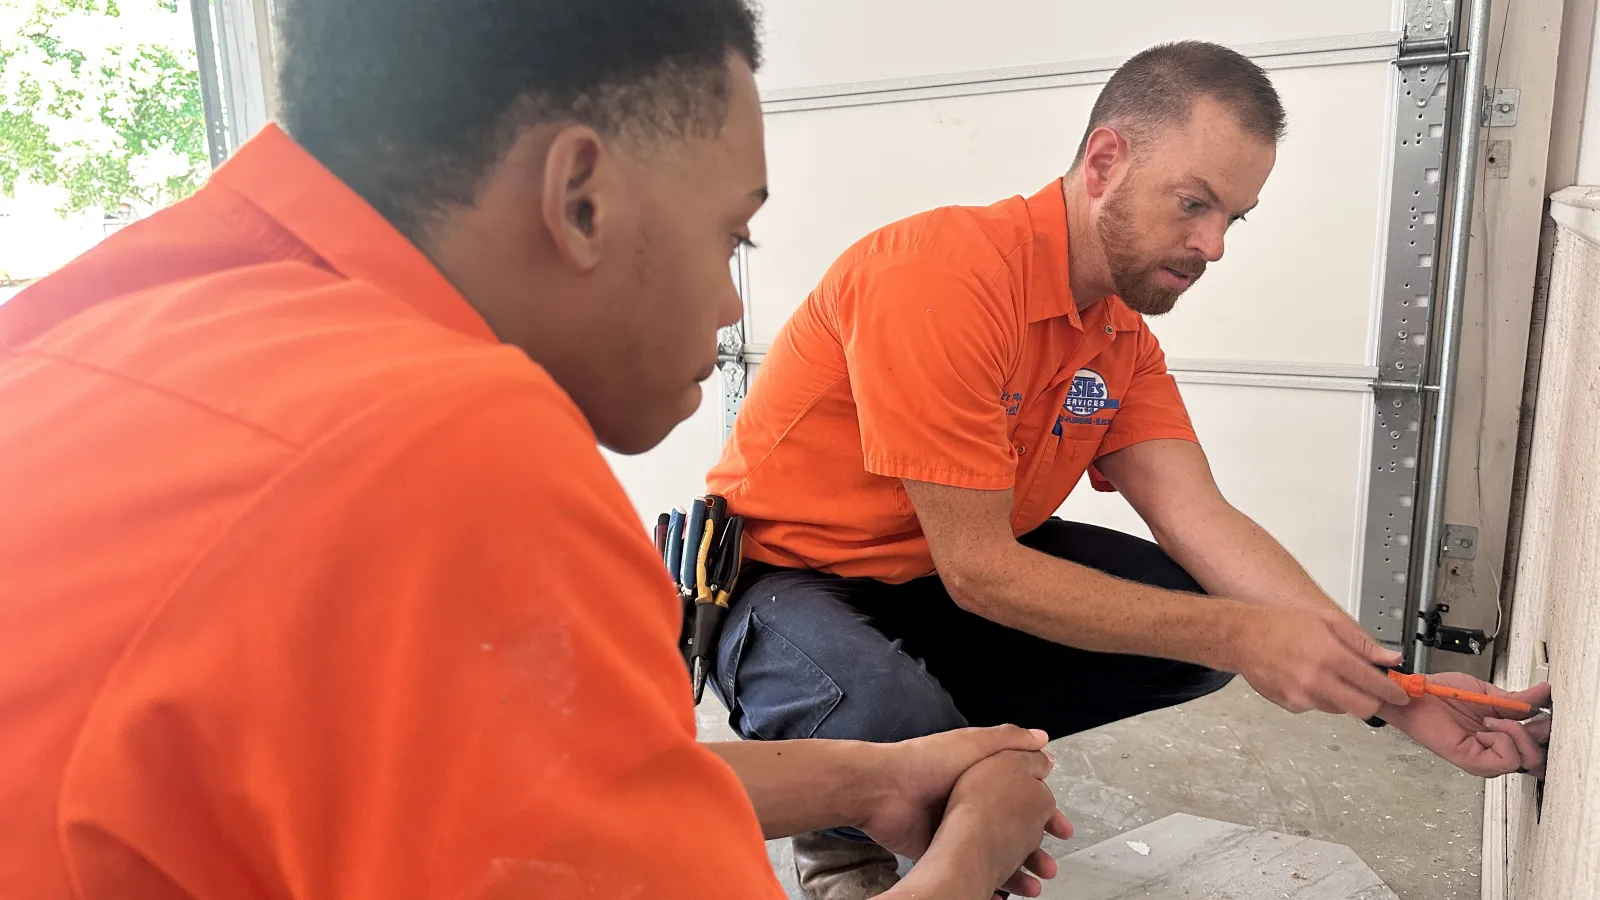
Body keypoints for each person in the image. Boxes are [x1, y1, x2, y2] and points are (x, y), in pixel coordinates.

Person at [0, 2, 1073, 899]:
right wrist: (970, 854)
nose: (729, 306)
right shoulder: (444, 447)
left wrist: (870, 779)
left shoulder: (103, 310)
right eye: (731, 235)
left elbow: (500, 787)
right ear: (580, 199)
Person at [705, 40, 1554, 899]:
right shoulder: (941, 279)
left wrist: (1394, 690)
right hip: (790, 585)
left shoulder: (1117, 337)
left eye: (1233, 218)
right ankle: (838, 807)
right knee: (917, 713)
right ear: (1105, 162)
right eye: (1194, 203)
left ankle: (933, 746)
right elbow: (981, 572)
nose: (1213, 246)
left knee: (1190, 621)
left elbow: (1199, 517)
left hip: (929, 584)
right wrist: (1242, 634)